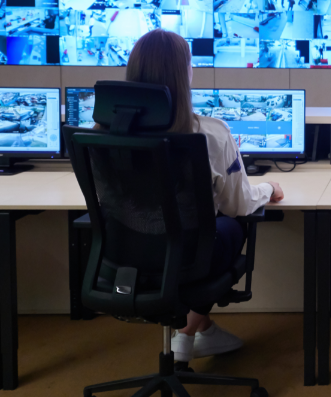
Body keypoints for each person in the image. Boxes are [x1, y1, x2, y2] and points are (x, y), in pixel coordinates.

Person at [120, 29, 285, 363]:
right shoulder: (210, 131)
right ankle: (186, 336)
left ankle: (199, 332)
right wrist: (268, 189)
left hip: (126, 256)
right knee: (232, 222)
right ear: (184, 74)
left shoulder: (106, 135)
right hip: (190, 259)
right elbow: (237, 204)